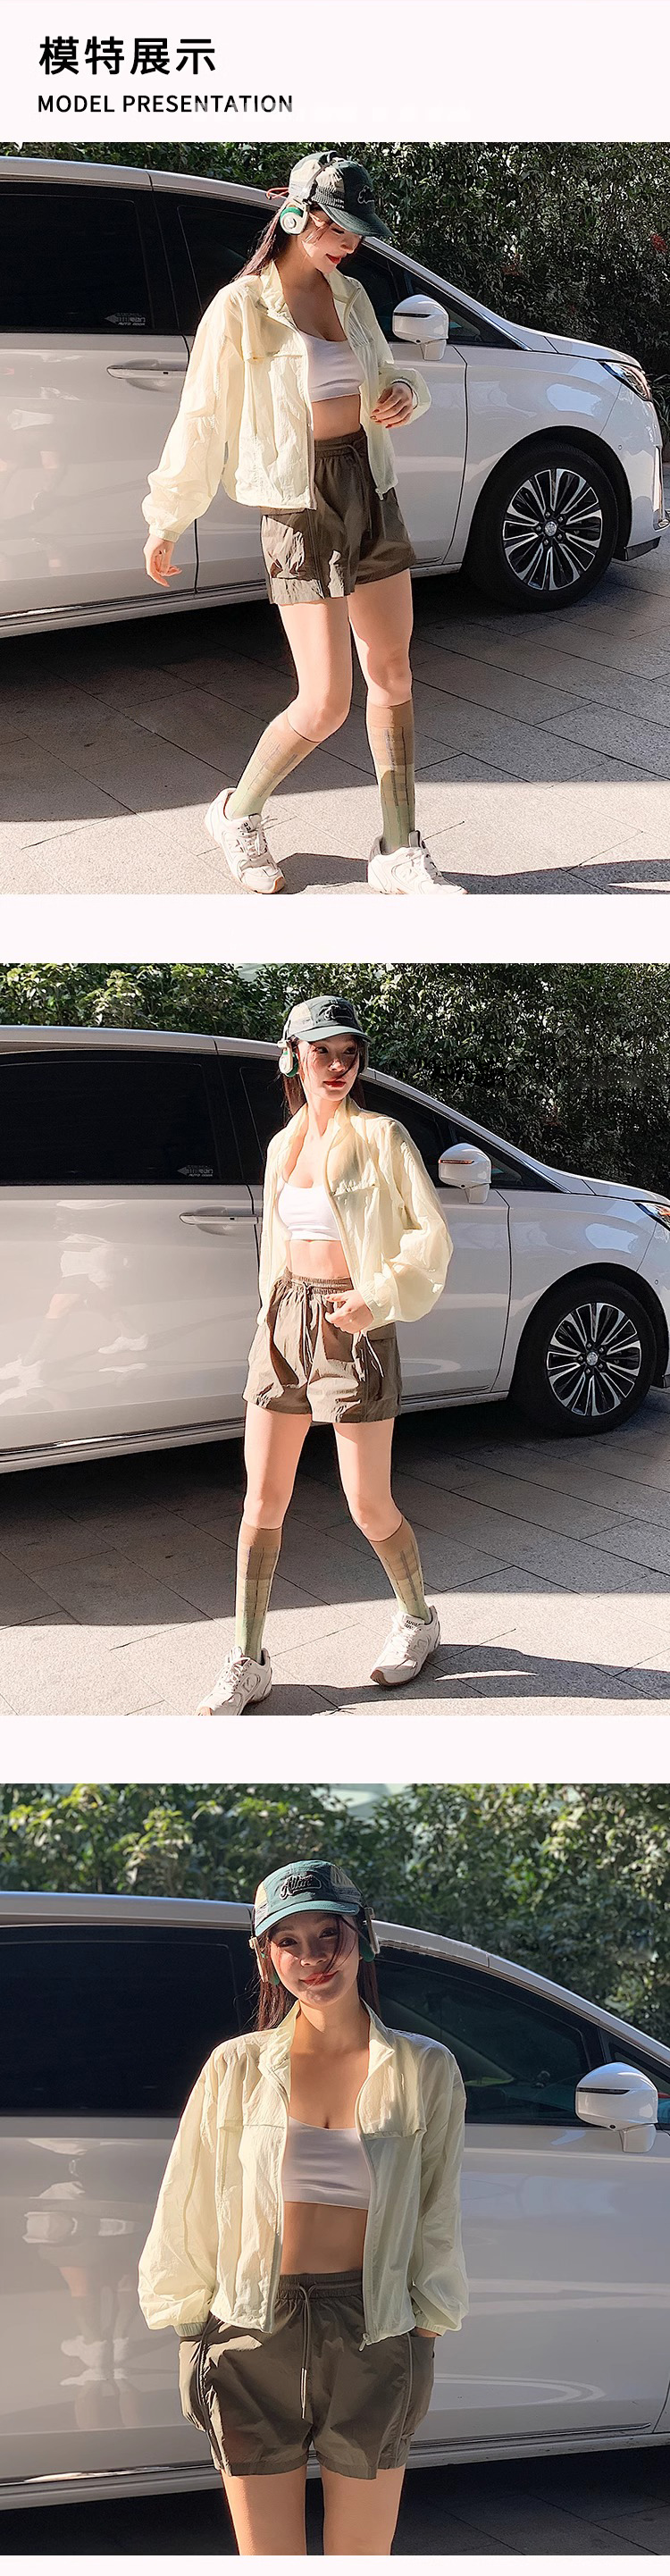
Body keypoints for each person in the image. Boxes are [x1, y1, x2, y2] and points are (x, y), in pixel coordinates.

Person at [142, 151, 465, 896]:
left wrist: (405, 395)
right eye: (336, 227)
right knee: (324, 701)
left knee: (393, 672)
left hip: (369, 484)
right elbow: (203, 419)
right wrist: (168, 517)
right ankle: (237, 813)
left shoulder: (350, 295)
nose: (348, 243)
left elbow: (389, 376)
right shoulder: (240, 308)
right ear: (295, 215)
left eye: (357, 232)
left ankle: (397, 847)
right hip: (299, 501)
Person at [138, 1857, 468, 2557]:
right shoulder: (236, 2066)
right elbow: (188, 2200)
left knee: (361, 2559)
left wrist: (426, 2328)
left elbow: (437, 2207)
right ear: (266, 1956)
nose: (312, 1957)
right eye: (288, 1941)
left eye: (328, 1934)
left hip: (374, 2325)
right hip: (251, 2327)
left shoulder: (424, 2067)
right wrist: (190, 2327)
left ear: (363, 1937)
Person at [197, 994, 453, 1715]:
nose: (338, 1066)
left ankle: (418, 1618)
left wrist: (377, 1297)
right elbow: (277, 1247)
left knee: (367, 1501)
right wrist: (270, 1318)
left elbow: (430, 1238)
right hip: (285, 1320)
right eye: (322, 1052)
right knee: (261, 1499)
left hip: (356, 1319)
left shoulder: (382, 1136)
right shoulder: (283, 1144)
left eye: (349, 1053)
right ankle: (247, 1659)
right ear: (294, 1058)